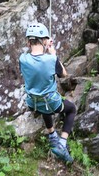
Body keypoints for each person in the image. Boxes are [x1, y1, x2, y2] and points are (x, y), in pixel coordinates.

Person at [19, 23, 76, 163]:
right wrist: (54, 54)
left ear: (28, 42)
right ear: (44, 41)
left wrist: (45, 48)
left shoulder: (23, 58)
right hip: (50, 102)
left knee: (44, 104)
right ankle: (62, 143)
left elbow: (33, 58)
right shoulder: (50, 59)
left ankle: (52, 136)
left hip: (33, 103)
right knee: (71, 109)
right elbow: (64, 74)